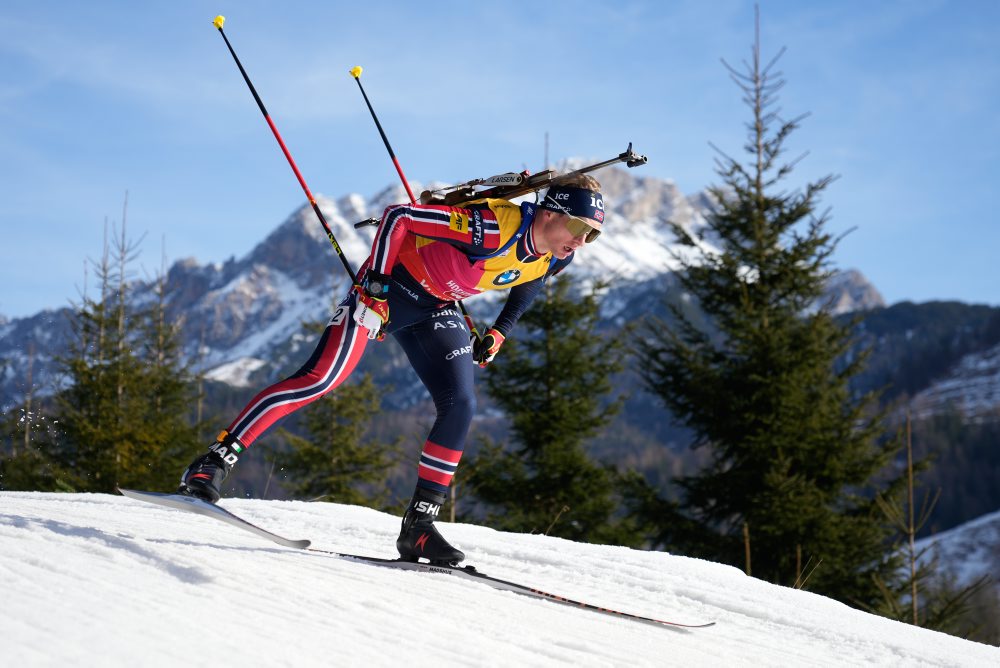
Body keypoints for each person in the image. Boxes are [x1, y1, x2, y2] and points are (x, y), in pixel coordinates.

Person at [178, 173, 607, 564]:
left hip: (437, 306)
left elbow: (531, 278)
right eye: (580, 228)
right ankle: (212, 462)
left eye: (592, 235)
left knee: (461, 405)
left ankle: (418, 528)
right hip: (389, 293)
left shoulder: (558, 252)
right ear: (551, 213)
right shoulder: (491, 227)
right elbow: (399, 217)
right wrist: (377, 288)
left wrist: (500, 331)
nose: (582, 242)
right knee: (320, 379)